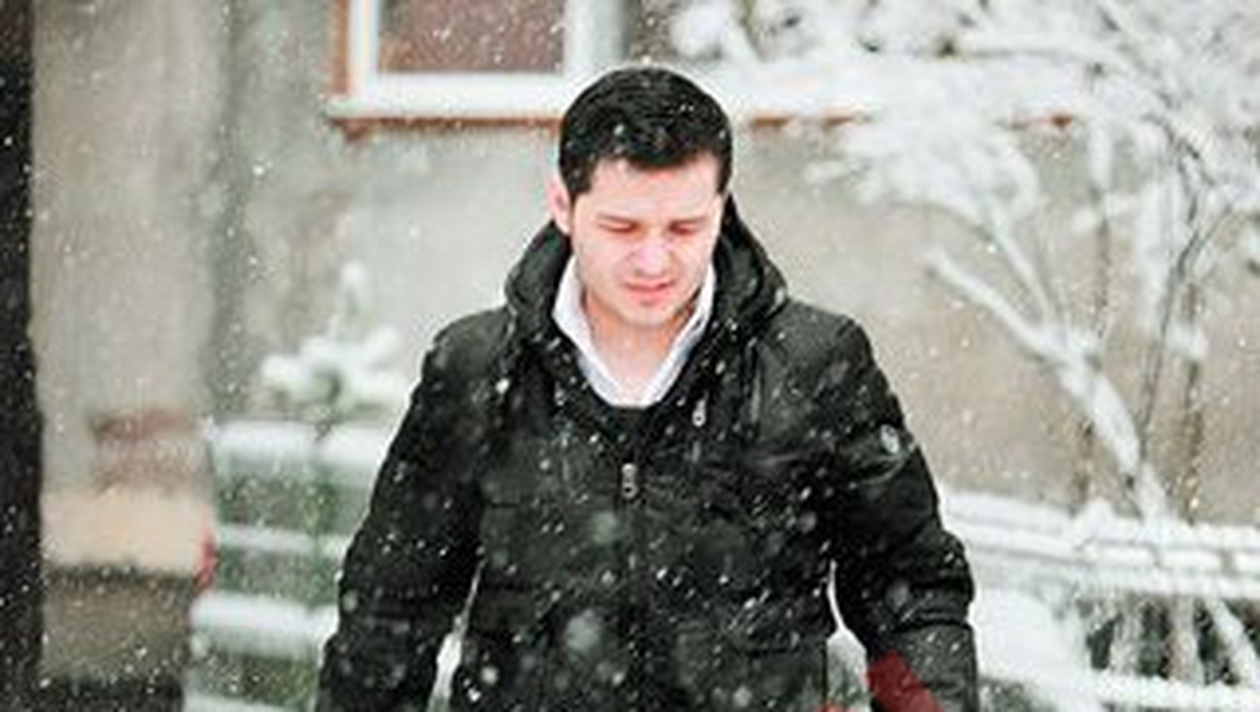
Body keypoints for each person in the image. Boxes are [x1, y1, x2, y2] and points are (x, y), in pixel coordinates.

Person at [318, 66, 977, 712]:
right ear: (563, 205)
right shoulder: (477, 370)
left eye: (685, 228)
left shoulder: (814, 366)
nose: (655, 261)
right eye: (623, 228)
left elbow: (910, 590)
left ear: (722, 206)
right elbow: (389, 610)